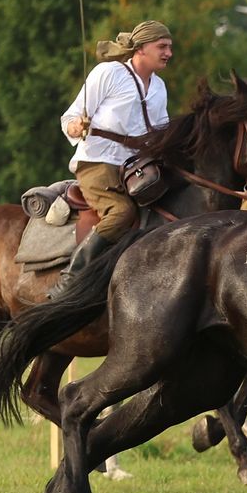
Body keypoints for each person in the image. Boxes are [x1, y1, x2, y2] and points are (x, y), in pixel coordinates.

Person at [49, 20, 172, 298]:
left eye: (170, 47)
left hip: (137, 167)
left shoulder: (159, 87)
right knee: (122, 212)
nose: (168, 53)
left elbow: (162, 129)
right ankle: (71, 278)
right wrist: (75, 127)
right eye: (162, 47)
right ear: (141, 48)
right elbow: (71, 116)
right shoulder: (108, 73)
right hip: (98, 162)